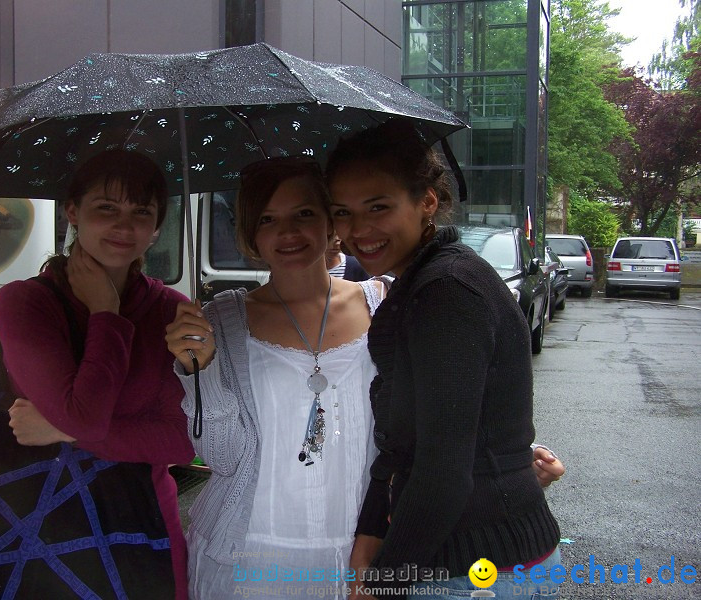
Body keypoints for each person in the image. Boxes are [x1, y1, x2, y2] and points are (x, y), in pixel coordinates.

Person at [165, 156, 564, 599]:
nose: (289, 232)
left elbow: (434, 415)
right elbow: (221, 458)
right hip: (253, 559)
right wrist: (200, 371)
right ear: (250, 232)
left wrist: (510, 461)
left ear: (330, 221)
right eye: (267, 219)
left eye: (304, 214)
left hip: (368, 545)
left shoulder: (389, 303)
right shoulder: (219, 322)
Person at [325, 119, 562, 599]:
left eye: (379, 207)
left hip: (474, 573)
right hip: (484, 559)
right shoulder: (422, 284)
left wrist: (384, 581)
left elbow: (442, 470)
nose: (358, 230)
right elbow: (404, 445)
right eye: (343, 213)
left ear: (427, 202)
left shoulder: (446, 291)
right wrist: (372, 531)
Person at [0, 149, 196, 598]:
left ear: (157, 226)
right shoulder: (26, 304)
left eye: (141, 212)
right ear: (73, 213)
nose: (124, 227)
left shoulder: (172, 311)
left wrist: (58, 429)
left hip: (144, 518)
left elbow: (182, 441)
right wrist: (106, 312)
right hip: (47, 520)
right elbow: (85, 417)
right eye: (106, 209)